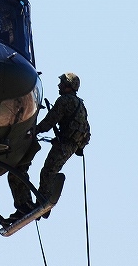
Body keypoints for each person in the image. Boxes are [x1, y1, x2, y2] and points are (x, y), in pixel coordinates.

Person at [35, 72, 90, 211]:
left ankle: (43, 203)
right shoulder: (80, 103)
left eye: (62, 84)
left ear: (68, 86)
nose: (59, 86)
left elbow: (50, 121)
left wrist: (34, 130)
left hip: (65, 144)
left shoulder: (64, 101)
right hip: (73, 145)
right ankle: (44, 201)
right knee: (50, 170)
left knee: (48, 171)